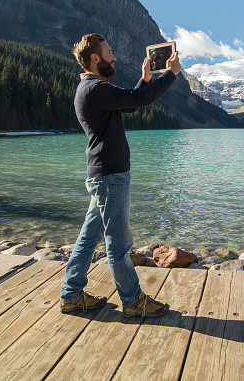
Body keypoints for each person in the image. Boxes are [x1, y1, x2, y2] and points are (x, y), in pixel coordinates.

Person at [60, 33, 181, 318]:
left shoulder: (93, 88)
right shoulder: (94, 89)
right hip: (110, 177)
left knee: (88, 239)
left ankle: (71, 295)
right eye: (109, 51)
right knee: (118, 244)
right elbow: (138, 100)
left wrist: (146, 80)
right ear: (95, 58)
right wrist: (171, 75)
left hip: (103, 175)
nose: (114, 57)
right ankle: (133, 300)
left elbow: (130, 102)